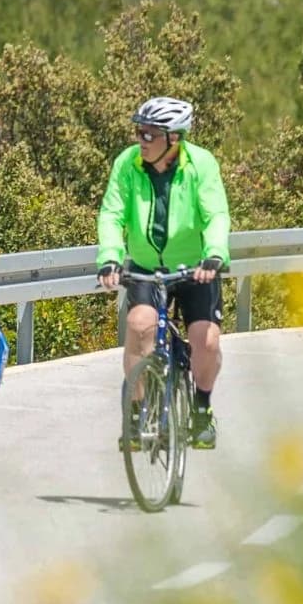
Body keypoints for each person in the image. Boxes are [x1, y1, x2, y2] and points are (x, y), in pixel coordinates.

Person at [96, 96, 231, 449]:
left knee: (206, 339)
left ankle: (201, 408)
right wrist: (110, 257)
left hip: (194, 269)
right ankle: (138, 411)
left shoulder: (200, 164)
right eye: (138, 132)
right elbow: (112, 213)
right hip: (145, 268)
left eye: (149, 134)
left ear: (173, 138)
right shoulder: (128, 164)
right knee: (139, 326)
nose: (140, 140)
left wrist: (214, 255)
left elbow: (216, 214)